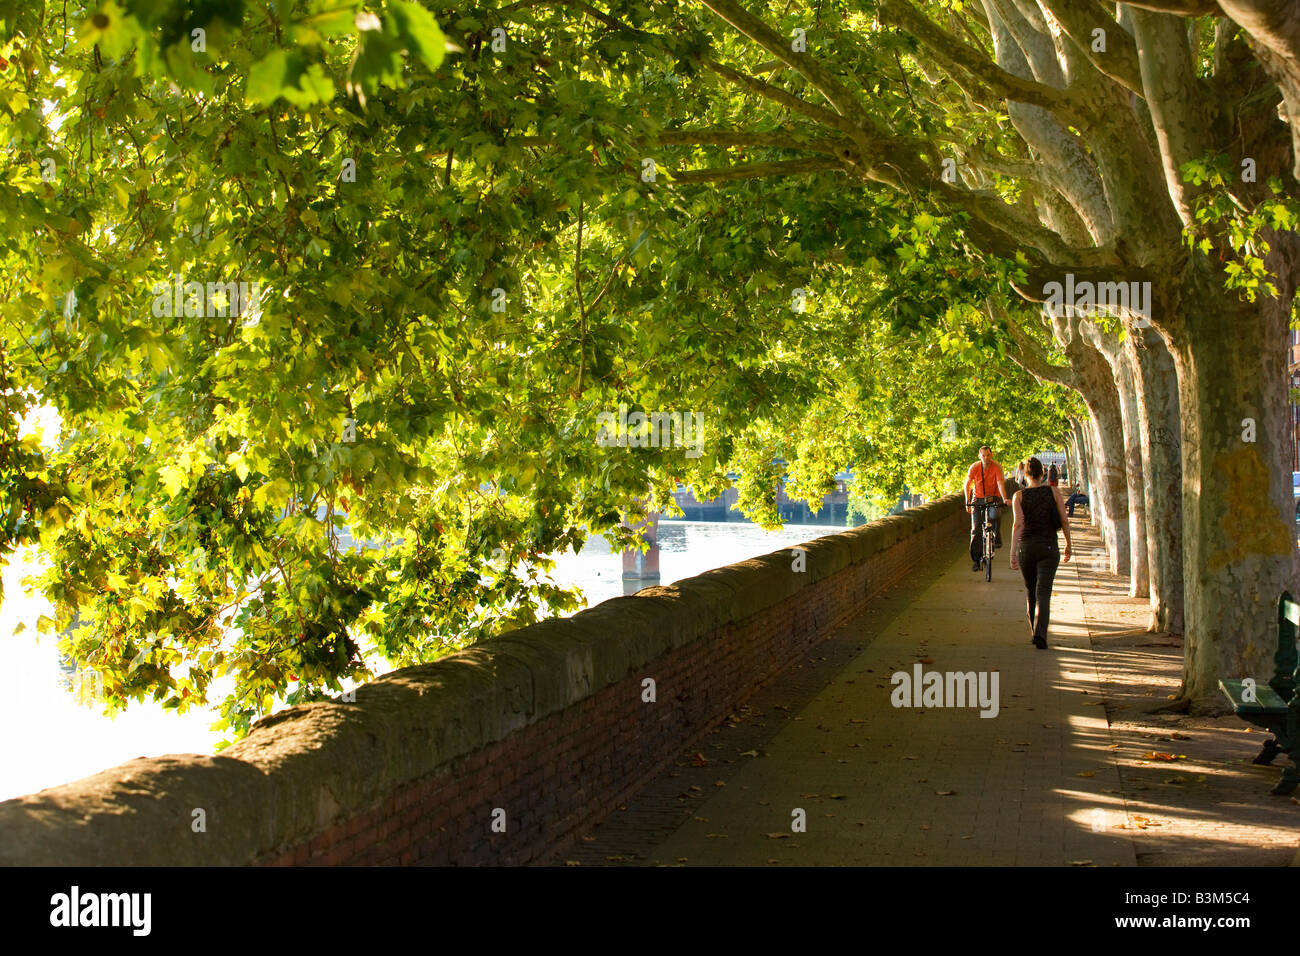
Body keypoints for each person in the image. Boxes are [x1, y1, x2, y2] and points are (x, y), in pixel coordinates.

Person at [1009, 457, 1072, 649]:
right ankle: (1041, 634)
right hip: (1049, 547)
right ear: (1042, 473)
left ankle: (1033, 630)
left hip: (1027, 548)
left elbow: (1018, 524)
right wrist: (1069, 543)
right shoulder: (1053, 492)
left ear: (1025, 475)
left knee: (1031, 591)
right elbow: (1064, 520)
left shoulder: (1018, 496)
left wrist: (1013, 552)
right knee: (1044, 592)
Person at [964, 446, 1010, 572]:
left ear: (992, 455)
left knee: (995, 515)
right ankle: (976, 561)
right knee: (976, 530)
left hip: (993, 497)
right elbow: (967, 484)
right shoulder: (974, 467)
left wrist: (1005, 498)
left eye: (988, 455)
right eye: (983, 455)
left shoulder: (997, 467)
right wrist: (967, 501)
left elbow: (1000, 483)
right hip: (977, 498)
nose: (986, 458)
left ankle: (996, 534)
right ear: (979, 456)